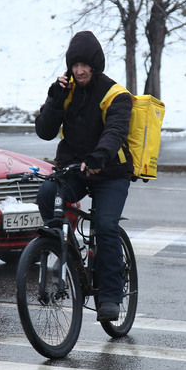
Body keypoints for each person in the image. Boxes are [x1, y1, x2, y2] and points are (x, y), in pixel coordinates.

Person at [35, 30, 133, 322]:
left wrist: (98, 157)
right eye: (74, 64)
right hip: (74, 168)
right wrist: (55, 98)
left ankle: (111, 295)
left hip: (110, 170)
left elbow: (115, 131)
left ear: (95, 65)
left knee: (104, 225)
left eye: (85, 65)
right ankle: (67, 253)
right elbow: (44, 131)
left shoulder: (116, 95)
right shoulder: (66, 92)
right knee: (46, 195)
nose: (79, 70)